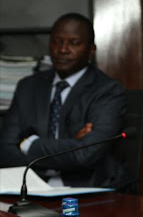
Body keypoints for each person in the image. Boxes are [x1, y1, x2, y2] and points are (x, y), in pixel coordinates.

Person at [0, 13, 126, 188]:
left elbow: (85, 155)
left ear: (91, 51)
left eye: (73, 43)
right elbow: (5, 150)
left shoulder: (108, 91)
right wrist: (72, 144)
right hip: (30, 187)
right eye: (57, 42)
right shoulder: (27, 87)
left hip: (86, 189)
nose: (63, 49)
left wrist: (29, 144)